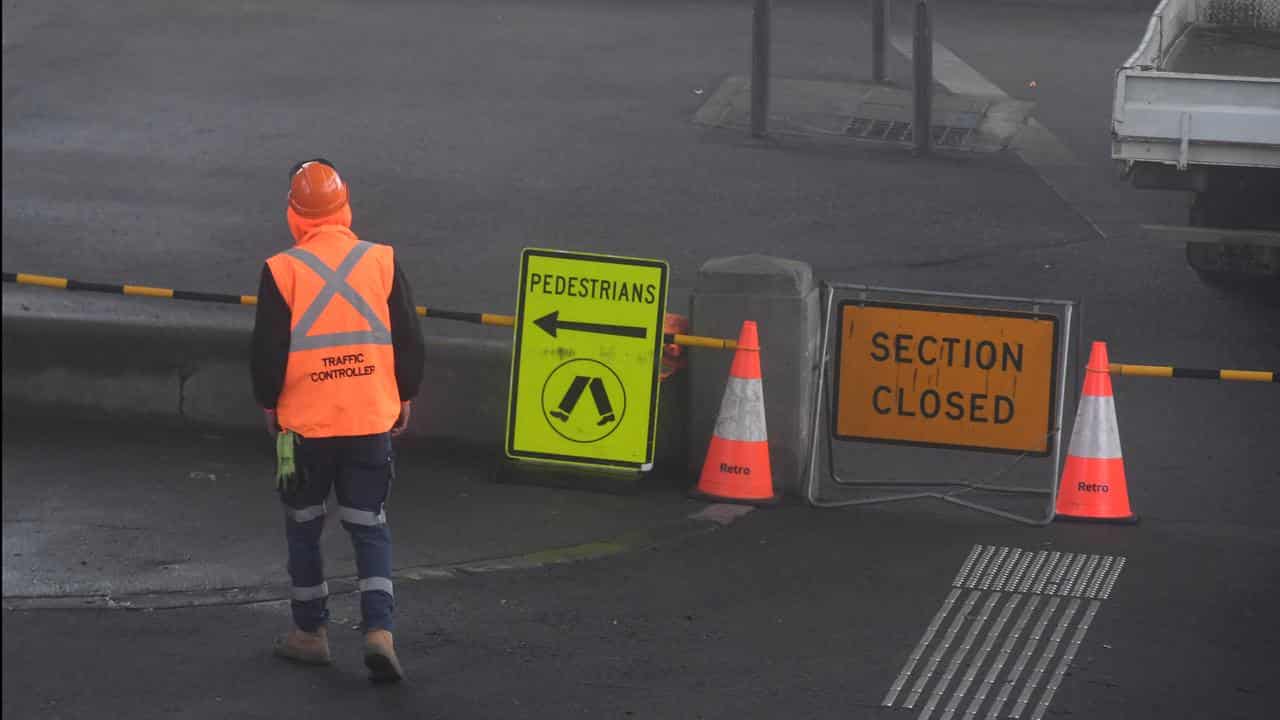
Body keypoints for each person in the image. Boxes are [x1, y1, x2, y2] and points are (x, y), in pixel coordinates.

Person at [250, 158, 425, 683]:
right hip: (370, 418)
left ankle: (310, 635)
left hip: (304, 427)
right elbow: (409, 339)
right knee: (369, 526)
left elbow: (267, 352)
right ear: (345, 202)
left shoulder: (283, 270)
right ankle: (379, 632)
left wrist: (268, 405)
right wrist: (405, 396)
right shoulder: (381, 261)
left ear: (294, 213)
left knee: (304, 528)